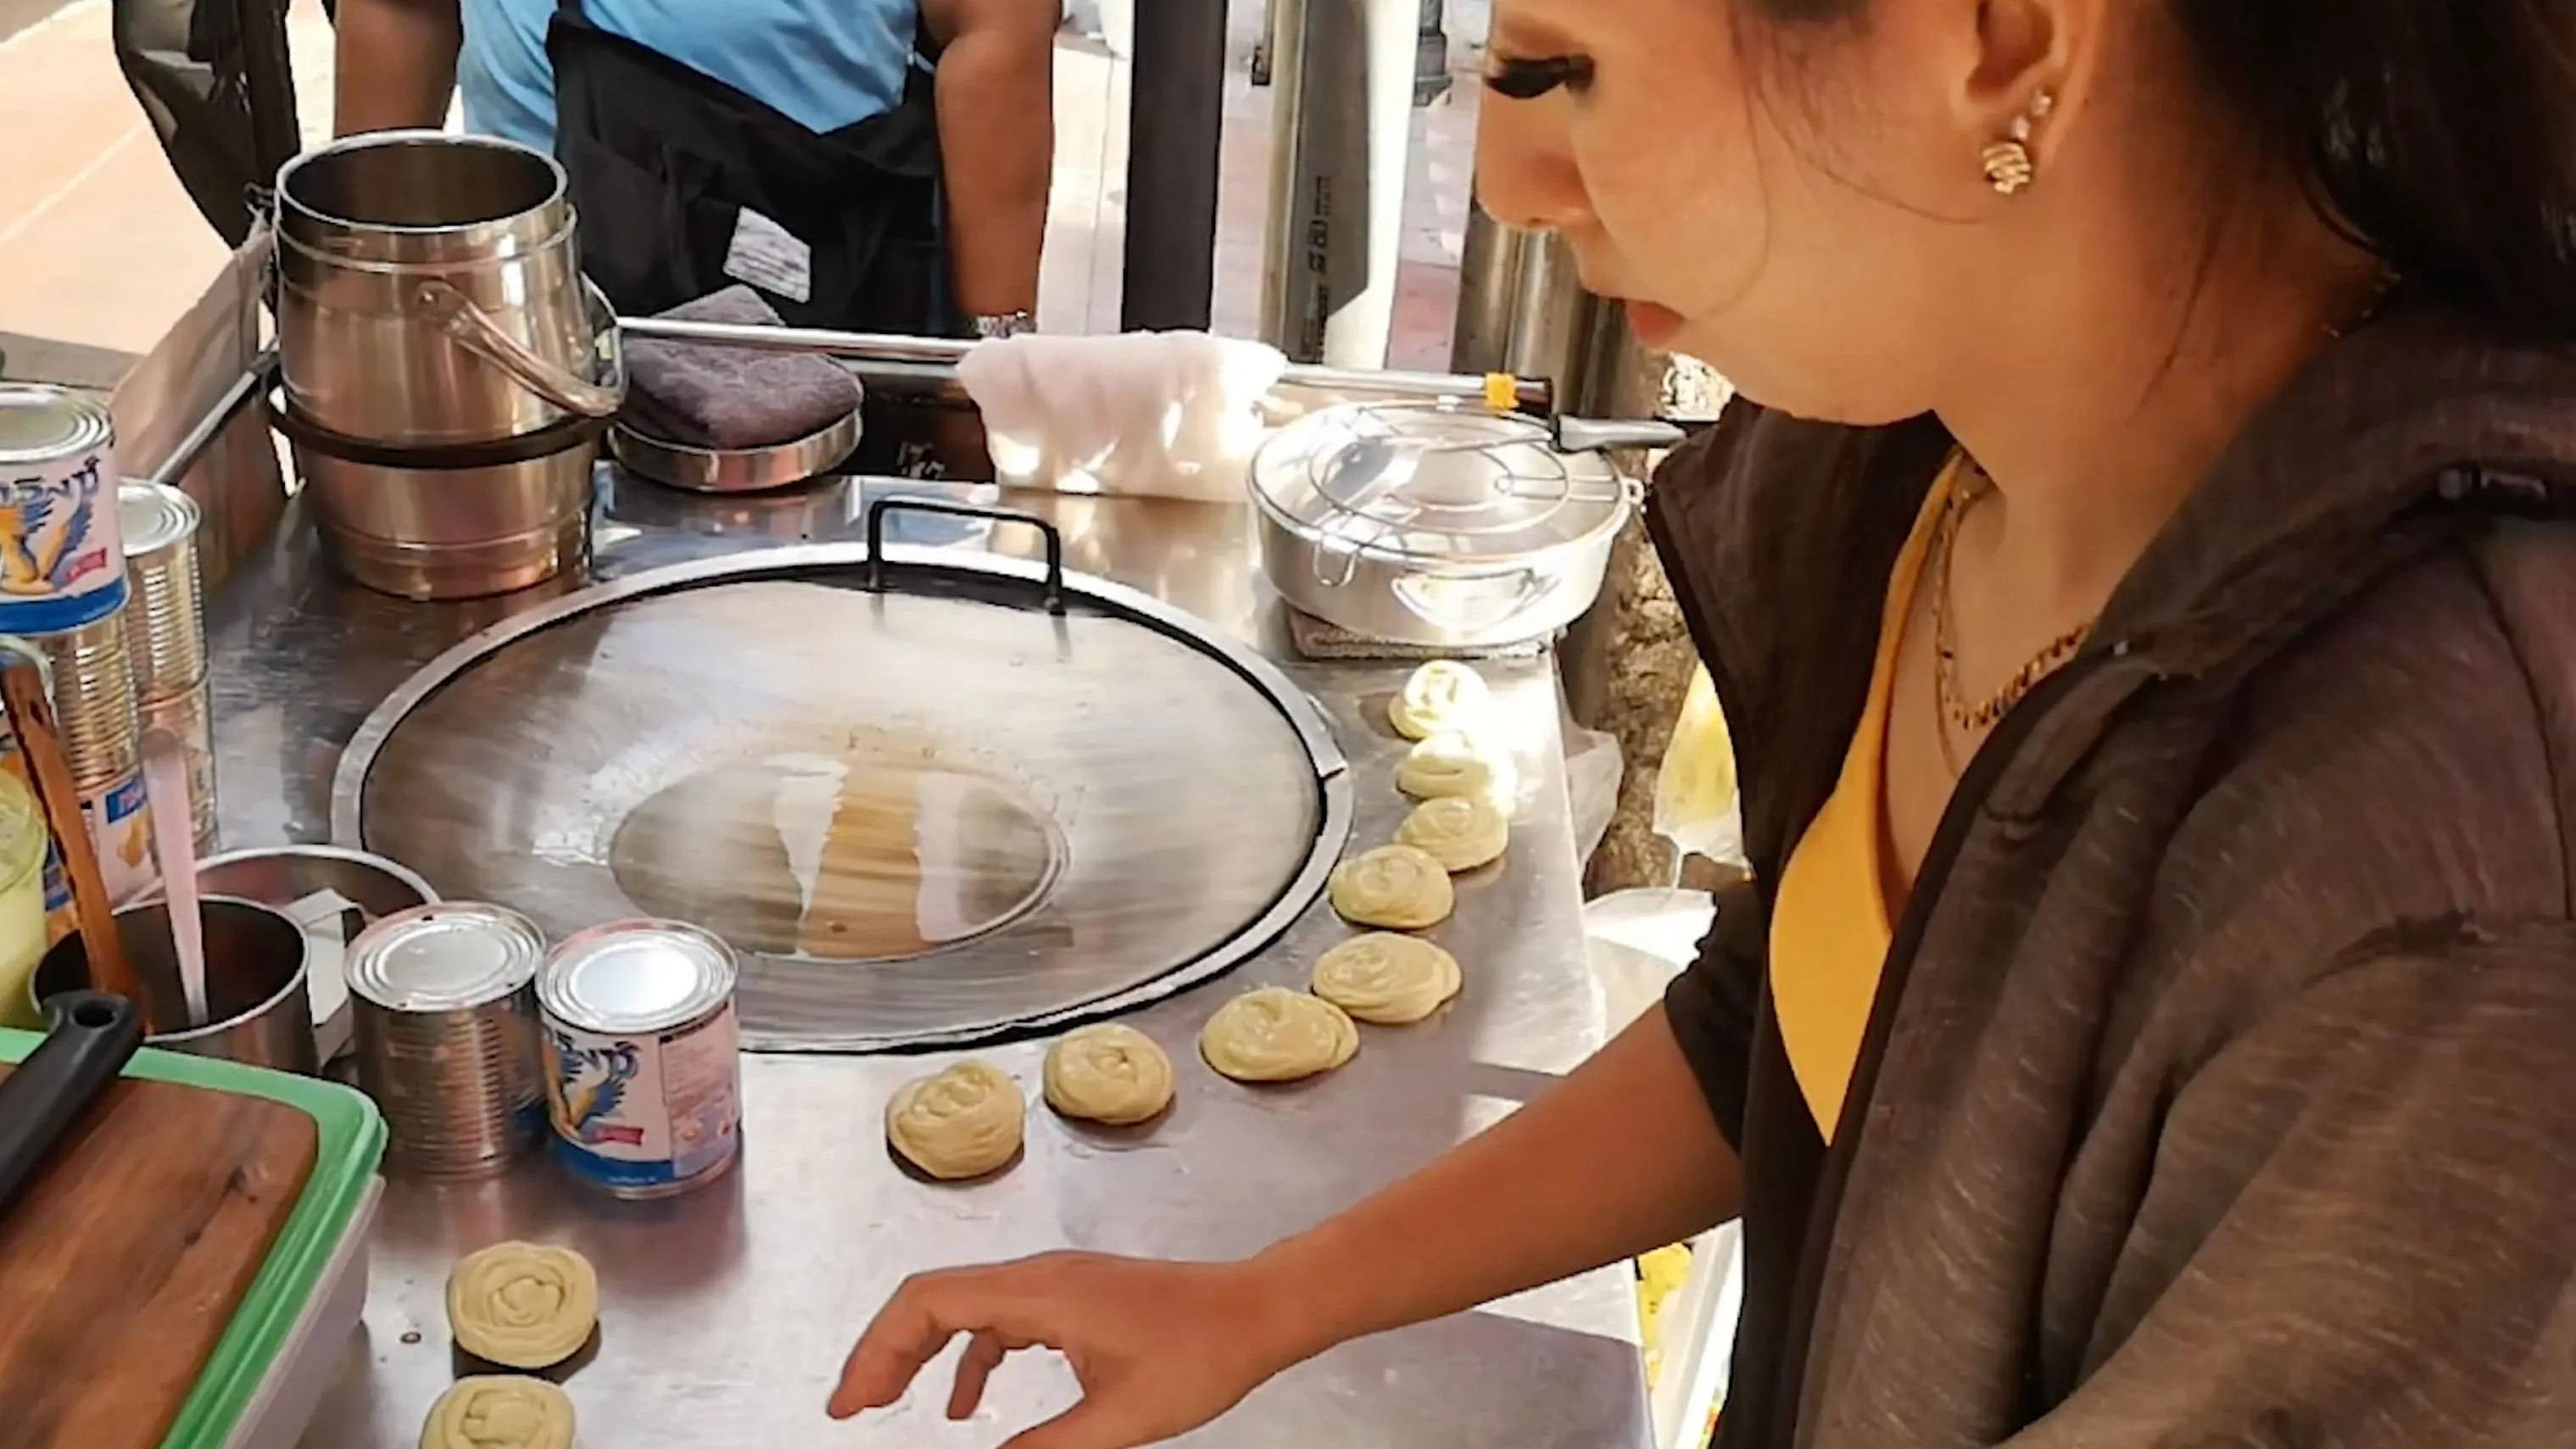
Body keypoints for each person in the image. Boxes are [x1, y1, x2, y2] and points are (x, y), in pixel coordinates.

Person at [827, 0, 2576, 1446]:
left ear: (1996, 37)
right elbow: (1789, 1034)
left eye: (1552, 66)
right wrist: (1259, 1298)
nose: (1508, 184)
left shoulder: (2435, 893)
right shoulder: (1926, 461)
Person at [331, 0, 1056, 337]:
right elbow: (402, 10)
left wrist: (993, 348)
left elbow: (998, 31)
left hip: (815, 314)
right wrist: (354, 290)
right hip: (524, 320)